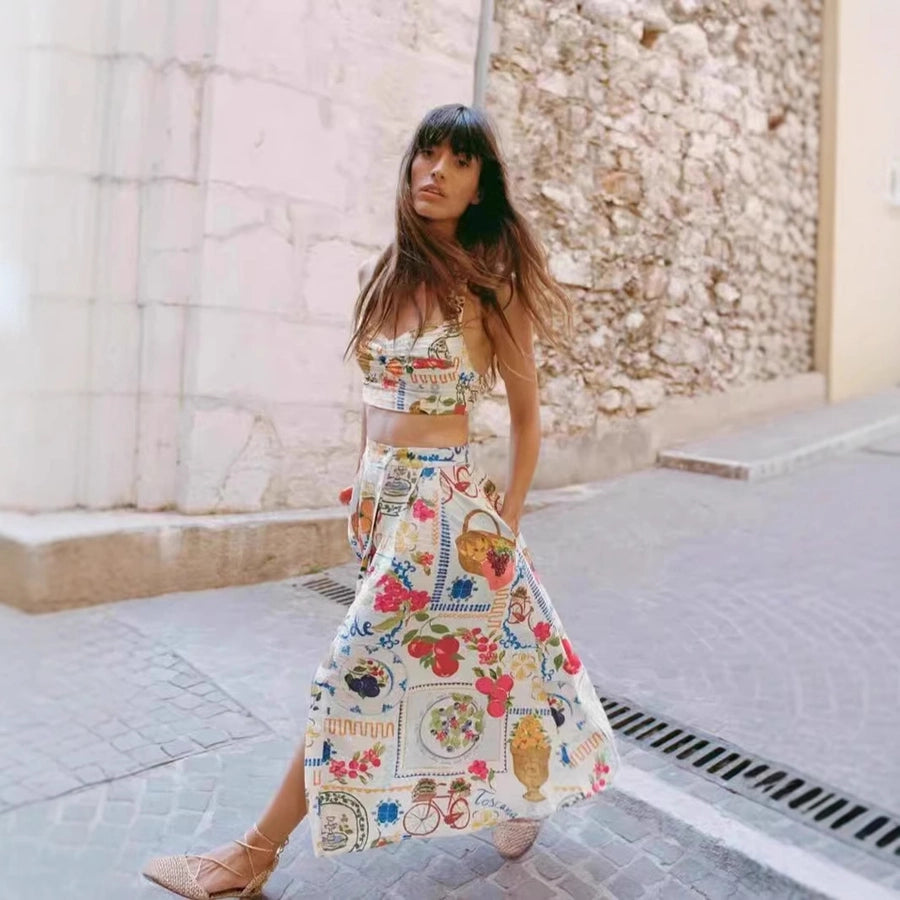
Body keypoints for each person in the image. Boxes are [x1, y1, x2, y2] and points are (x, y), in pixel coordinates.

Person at [143, 102, 618, 899]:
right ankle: (523, 792)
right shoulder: (385, 276)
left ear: (480, 186)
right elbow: (373, 402)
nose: (435, 171)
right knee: (497, 653)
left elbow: (528, 420)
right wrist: (363, 488)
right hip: (383, 505)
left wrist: (507, 523)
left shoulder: (490, 294)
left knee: (351, 673)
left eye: (458, 161)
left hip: (443, 511)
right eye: (427, 154)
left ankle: (250, 859)